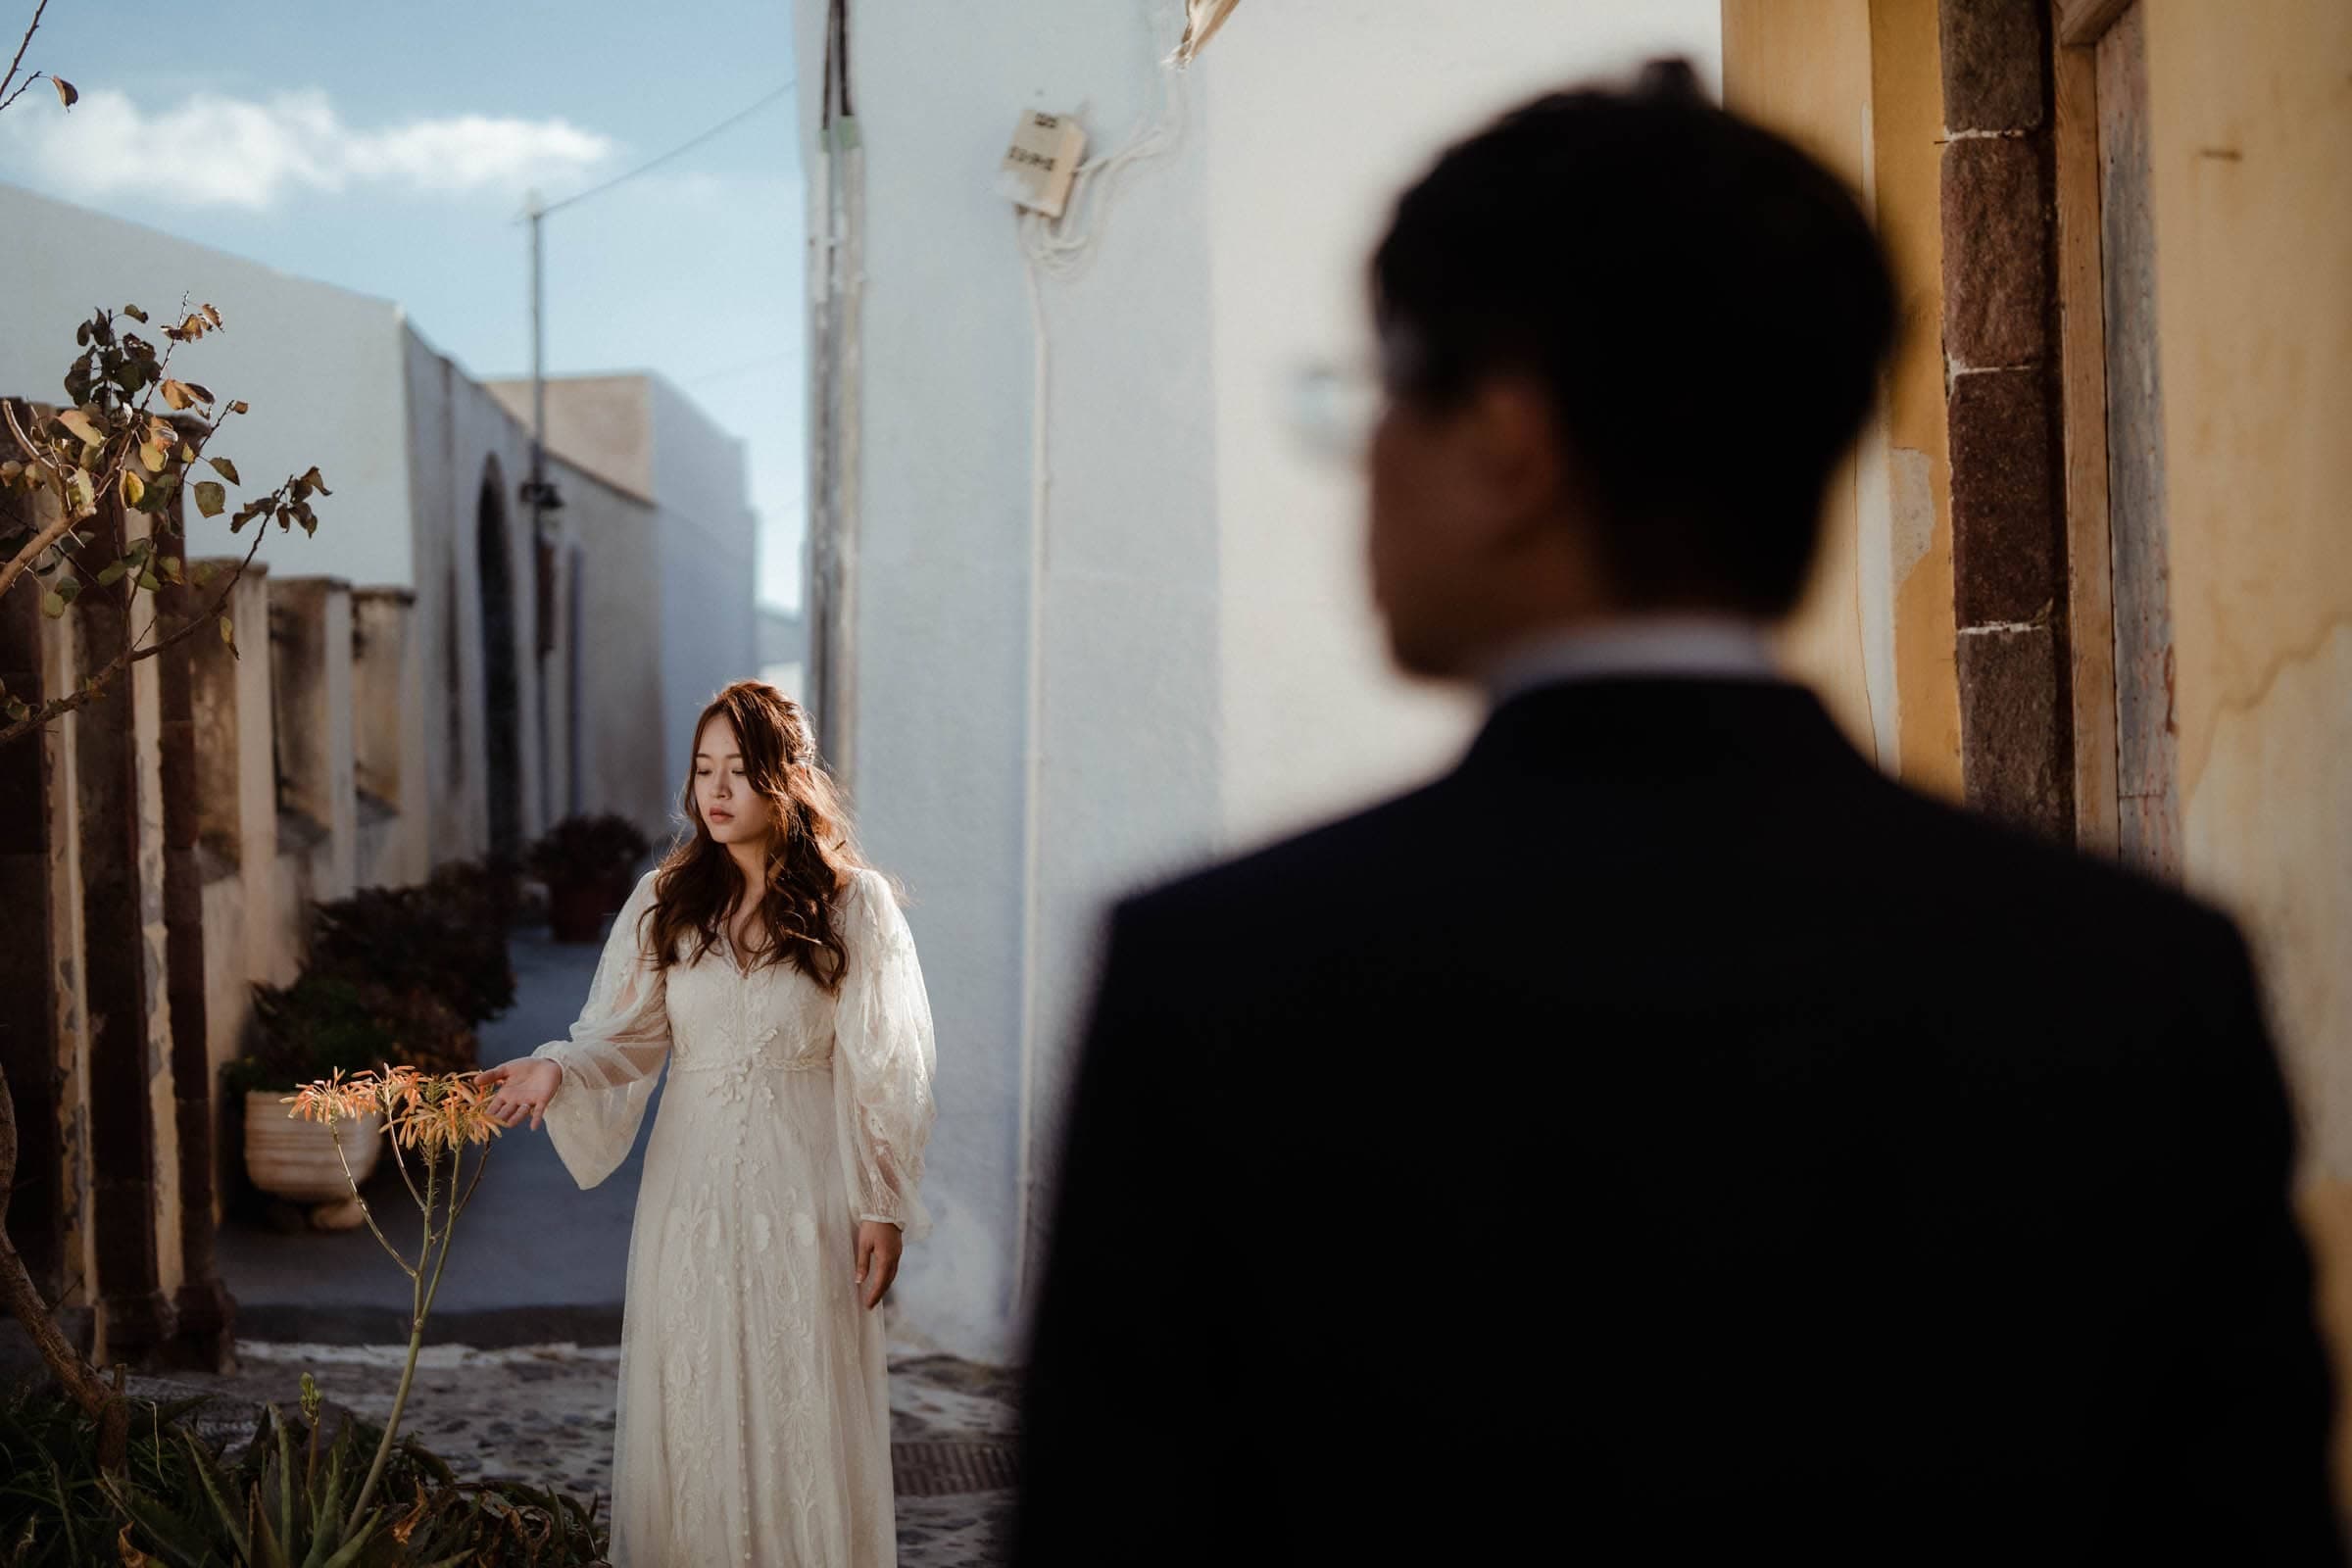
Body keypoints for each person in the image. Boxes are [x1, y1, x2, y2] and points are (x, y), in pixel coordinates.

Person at [1010, 61, 2339, 1566]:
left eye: (1384, 391)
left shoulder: (1215, 983)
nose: (1366, 456)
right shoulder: (2143, 981)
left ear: (1512, 445)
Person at [477, 680, 937, 1568]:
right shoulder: (665, 902)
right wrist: (554, 1066)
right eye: (702, 771)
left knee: (799, 1392)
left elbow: (890, 1065)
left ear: (786, 780)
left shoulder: (854, 907)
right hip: (687, 1195)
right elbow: (621, 1038)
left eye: (739, 770)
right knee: (692, 1399)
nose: (715, 791)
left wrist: (881, 1201)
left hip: (806, 1190)